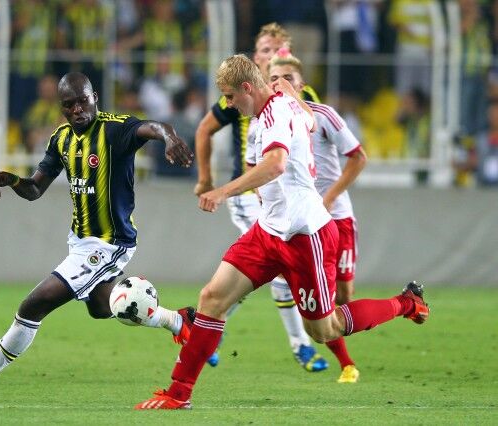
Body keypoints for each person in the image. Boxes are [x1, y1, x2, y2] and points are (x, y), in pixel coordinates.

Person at [135, 55, 429, 410]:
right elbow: (308, 120)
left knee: (325, 329)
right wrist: (292, 93)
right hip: (269, 231)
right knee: (212, 298)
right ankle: (178, 394)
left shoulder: (275, 113)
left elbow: (275, 165)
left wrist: (222, 191)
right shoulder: (276, 109)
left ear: (247, 88)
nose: (228, 104)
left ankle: (405, 303)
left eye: (230, 96)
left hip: (306, 235)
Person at [0, 72, 195, 402]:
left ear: (94, 97)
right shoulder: (61, 139)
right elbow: (35, 189)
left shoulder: (115, 129)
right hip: (80, 241)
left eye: (82, 101)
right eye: (69, 105)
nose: (77, 109)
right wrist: (14, 180)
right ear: (62, 108)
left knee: (33, 306)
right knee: (103, 306)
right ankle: (179, 321)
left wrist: (170, 138)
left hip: (108, 243)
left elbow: (153, 126)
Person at [194, 22, 327, 372]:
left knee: (262, 274)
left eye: (277, 50)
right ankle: (300, 345)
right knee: (269, 272)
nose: (270, 56)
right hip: (250, 192)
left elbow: (314, 132)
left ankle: (212, 325)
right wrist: (206, 179)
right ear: (255, 56)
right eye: (264, 50)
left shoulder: (297, 95)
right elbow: (205, 129)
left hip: (290, 197)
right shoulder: (240, 90)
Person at [268, 48, 368, 382]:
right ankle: (347, 363)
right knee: (314, 296)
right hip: (305, 222)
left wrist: (330, 196)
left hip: (336, 216)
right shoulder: (268, 121)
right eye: (273, 78)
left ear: (301, 84)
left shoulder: (323, 116)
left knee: (344, 295)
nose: (280, 83)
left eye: (287, 78)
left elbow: (358, 157)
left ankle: (401, 306)